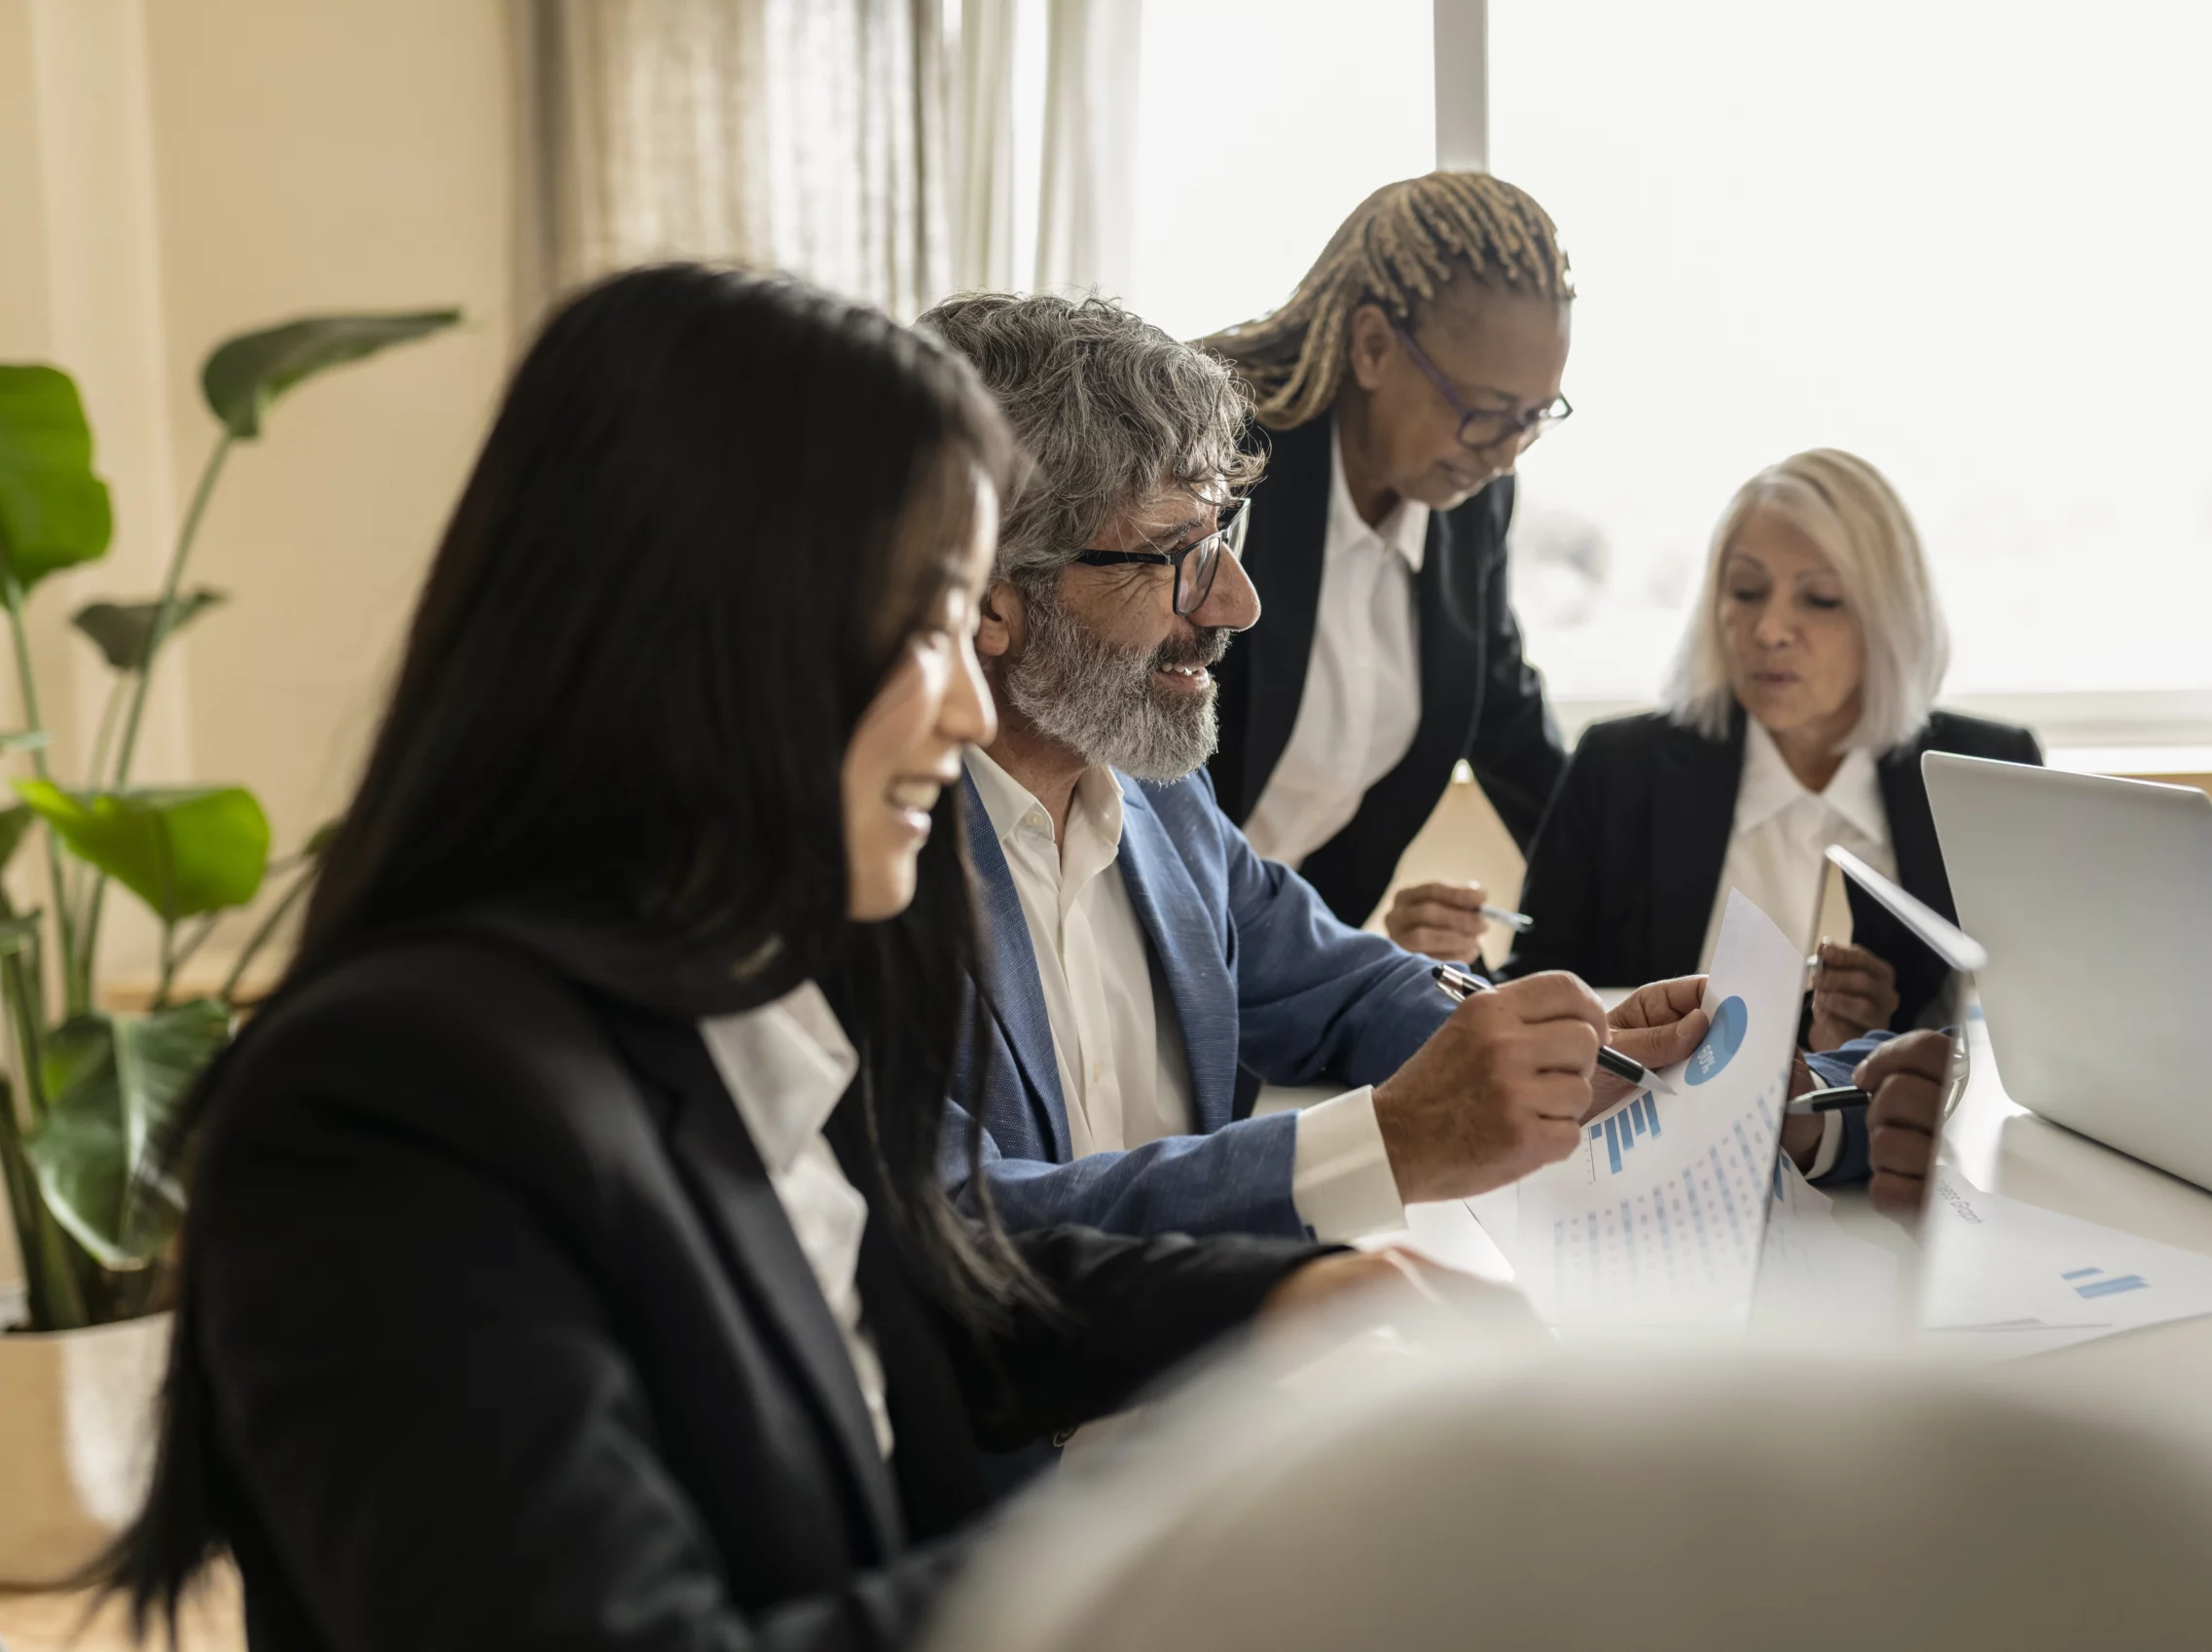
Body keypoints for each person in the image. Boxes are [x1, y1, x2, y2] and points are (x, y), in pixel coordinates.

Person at [100, 265, 1438, 1650]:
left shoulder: (731, 982)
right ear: (731, 628)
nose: (973, 699)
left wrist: (1292, 1294)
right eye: (934, 620)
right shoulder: (387, 1110)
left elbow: (931, 1293)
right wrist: (1194, 1557)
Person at [917, 291, 1954, 1241]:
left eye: (1223, 531)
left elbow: (1349, 988)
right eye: (1176, 551)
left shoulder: (1159, 804)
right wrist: (1391, 1140)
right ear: (993, 597)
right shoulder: (862, 872)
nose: (1238, 602)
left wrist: (1581, 1054)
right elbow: (967, 1229)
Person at [1508, 450, 2040, 1081]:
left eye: (1819, 599)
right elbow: (1530, 1000)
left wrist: (1861, 1049)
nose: (1770, 629)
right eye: (1746, 591)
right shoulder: (1620, 769)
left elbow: (2033, 1033)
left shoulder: (1989, 772)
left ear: (1890, 617)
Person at [1195, 172, 1575, 952]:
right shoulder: (1214, 457)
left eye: (1533, 418)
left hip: (1282, 970)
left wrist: (1652, 883)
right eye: (1484, 413)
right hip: (1138, 943)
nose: (1506, 455)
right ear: (1372, 347)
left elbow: (1503, 717)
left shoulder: (1467, 500)